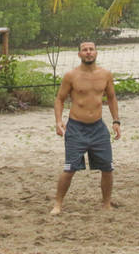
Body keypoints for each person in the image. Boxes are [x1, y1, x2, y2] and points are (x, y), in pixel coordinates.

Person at [50, 41, 121, 215]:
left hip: (98, 127)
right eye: (85, 50)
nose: (88, 52)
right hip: (76, 128)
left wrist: (116, 121)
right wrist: (58, 121)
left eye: (91, 49)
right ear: (79, 54)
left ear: (96, 52)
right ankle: (58, 204)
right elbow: (59, 99)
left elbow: (111, 98)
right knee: (70, 168)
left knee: (107, 167)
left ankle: (106, 203)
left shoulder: (105, 75)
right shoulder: (71, 76)